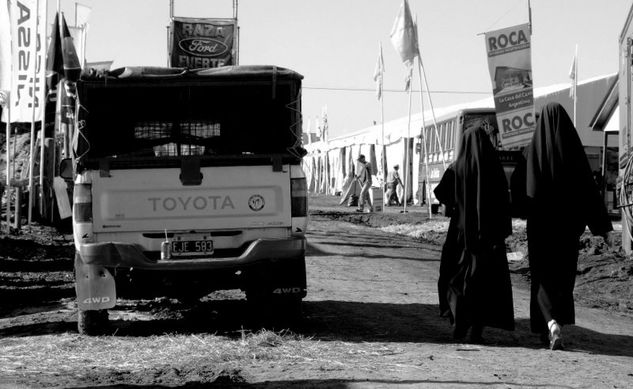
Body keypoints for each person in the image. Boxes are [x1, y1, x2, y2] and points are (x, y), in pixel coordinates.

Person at [525, 102, 613, 350]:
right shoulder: (574, 152)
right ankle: (556, 324)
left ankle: (549, 323)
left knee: (542, 276)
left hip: (541, 230)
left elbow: (523, 192)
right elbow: (588, 190)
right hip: (566, 231)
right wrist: (602, 227)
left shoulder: (533, 151)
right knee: (561, 278)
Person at [433, 123, 515, 342]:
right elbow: (504, 203)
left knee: (456, 278)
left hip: (460, 235)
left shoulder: (456, 167)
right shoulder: (495, 168)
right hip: (488, 237)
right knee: (485, 282)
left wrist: (456, 204)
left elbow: (441, 193)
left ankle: (459, 322)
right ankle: (477, 329)